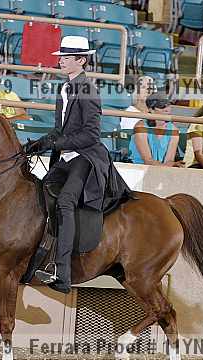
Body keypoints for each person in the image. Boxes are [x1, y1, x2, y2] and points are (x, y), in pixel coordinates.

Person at [30, 36, 130, 294]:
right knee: (38, 192)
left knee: (65, 201)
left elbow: (91, 135)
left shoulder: (88, 90)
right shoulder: (64, 89)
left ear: (81, 61)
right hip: (65, 157)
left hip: (86, 157)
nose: (61, 61)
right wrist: (40, 143)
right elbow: (59, 129)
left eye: (66, 57)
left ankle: (62, 273)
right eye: (61, 57)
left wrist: (58, 143)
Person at [128, 93, 182, 166]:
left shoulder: (174, 130)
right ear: (151, 109)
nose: (167, 109)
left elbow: (169, 160)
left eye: (168, 105)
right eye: (162, 106)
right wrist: (165, 167)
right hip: (139, 168)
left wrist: (174, 164)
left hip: (160, 169)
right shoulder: (140, 127)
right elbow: (148, 160)